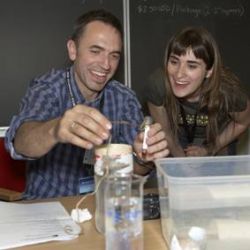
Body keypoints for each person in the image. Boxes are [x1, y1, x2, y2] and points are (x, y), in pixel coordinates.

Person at [4, 9, 169, 199]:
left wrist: (145, 158)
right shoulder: (48, 88)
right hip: (48, 209)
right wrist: (55, 129)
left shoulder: (125, 98)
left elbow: (134, 171)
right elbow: (20, 143)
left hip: (103, 208)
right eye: (96, 51)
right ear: (73, 50)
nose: (106, 65)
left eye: (114, 55)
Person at [146, 26, 250, 157]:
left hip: (217, 137)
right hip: (177, 137)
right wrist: (183, 166)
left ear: (209, 71)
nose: (179, 74)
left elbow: (242, 122)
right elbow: (167, 136)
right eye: (174, 61)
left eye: (192, 66)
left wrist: (209, 149)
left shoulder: (229, 92)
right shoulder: (158, 85)